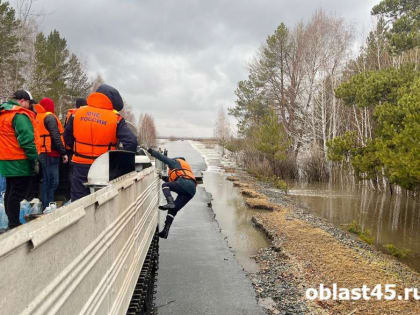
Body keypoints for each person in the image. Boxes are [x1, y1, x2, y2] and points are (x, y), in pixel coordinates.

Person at [64, 84, 137, 201]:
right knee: (103, 201)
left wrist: (77, 150)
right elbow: (132, 142)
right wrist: (119, 164)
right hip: (104, 168)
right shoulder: (116, 118)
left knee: (78, 201)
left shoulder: (76, 113)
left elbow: (67, 136)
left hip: (79, 165)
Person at [0, 90, 39, 229]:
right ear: (23, 101)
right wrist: (34, 159)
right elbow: (27, 141)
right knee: (16, 194)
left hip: (5, 159)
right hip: (19, 160)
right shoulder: (20, 115)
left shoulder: (4, 113)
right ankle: (14, 224)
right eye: (29, 103)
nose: (29, 106)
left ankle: (11, 221)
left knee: (10, 192)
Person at [146, 148, 196, 239]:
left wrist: (150, 151)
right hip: (191, 190)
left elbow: (162, 157)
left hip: (184, 183)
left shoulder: (175, 162)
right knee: (173, 210)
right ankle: (165, 231)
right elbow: (172, 180)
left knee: (165, 186)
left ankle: (170, 202)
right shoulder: (185, 167)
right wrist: (162, 177)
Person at [34, 98, 68, 209]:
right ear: (50, 106)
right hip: (50, 153)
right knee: (53, 181)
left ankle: (47, 204)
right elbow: (56, 136)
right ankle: (48, 206)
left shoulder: (38, 116)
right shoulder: (50, 118)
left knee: (46, 179)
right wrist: (63, 152)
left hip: (42, 152)